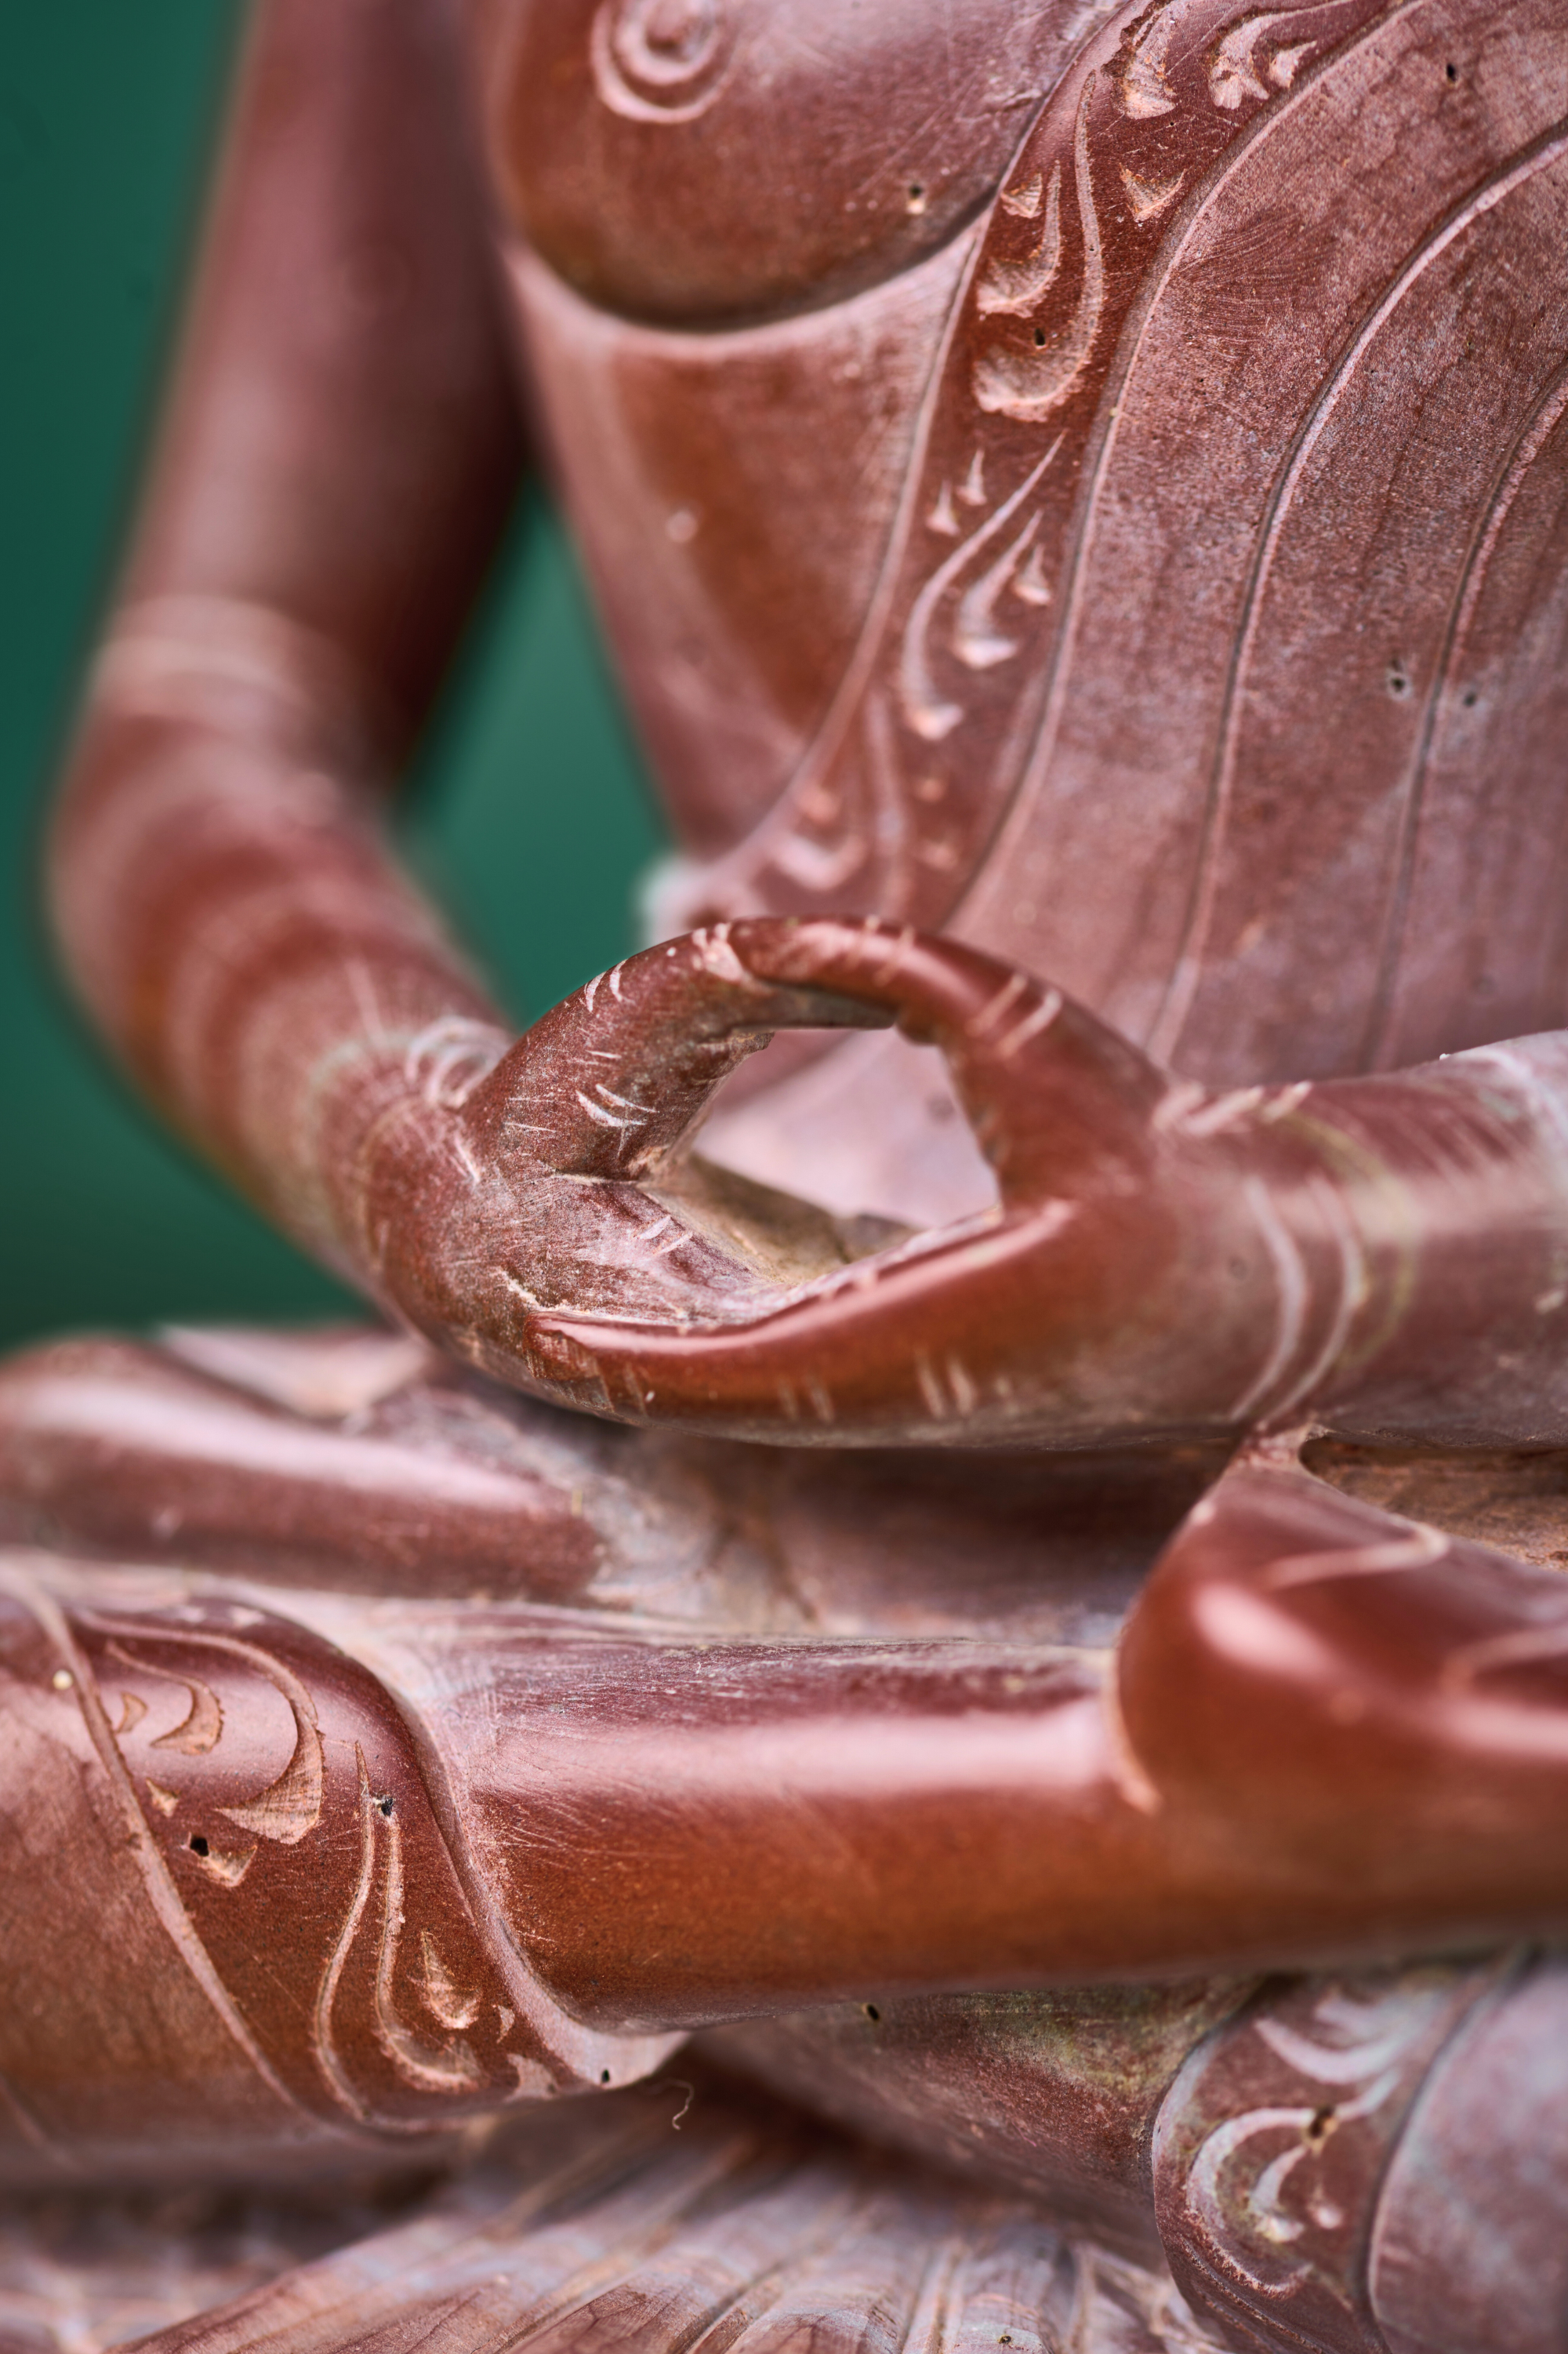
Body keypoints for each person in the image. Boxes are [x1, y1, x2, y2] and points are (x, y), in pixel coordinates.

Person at [2, 3, 1566, 2347]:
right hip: (664, 1415)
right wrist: (420, 1147)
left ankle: (1050, 1821)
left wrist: (1289, 1243)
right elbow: (216, 706)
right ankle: (1132, 1810)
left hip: (1442, 1458)